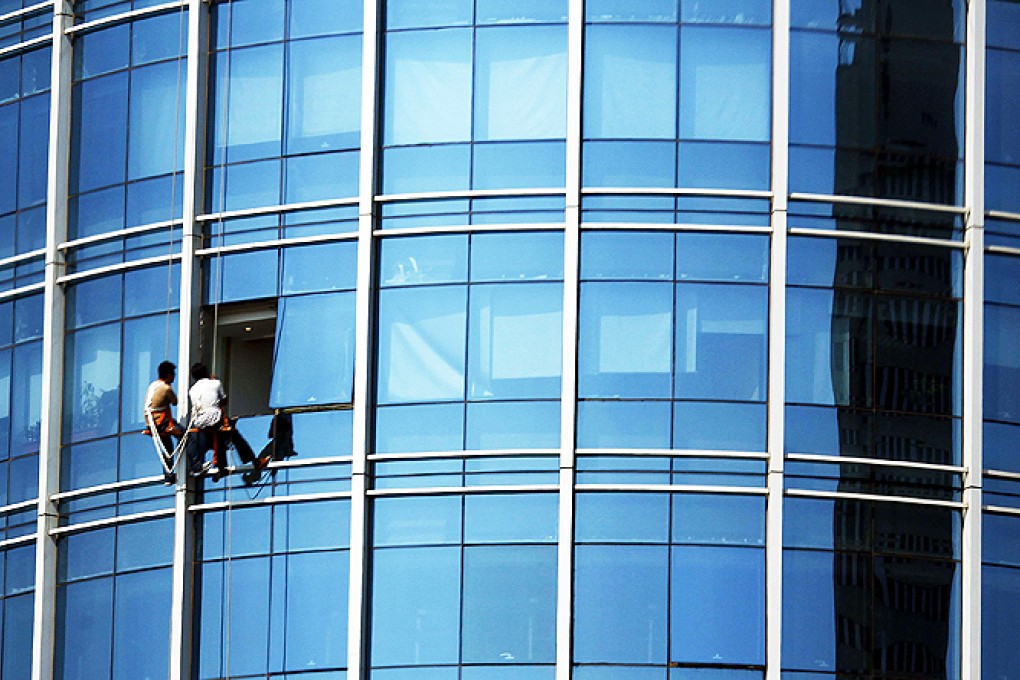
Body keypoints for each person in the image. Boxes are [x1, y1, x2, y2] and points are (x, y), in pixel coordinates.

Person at [186, 363, 261, 481]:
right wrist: (215, 382)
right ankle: (255, 461)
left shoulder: (192, 390)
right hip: (214, 417)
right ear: (206, 372)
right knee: (234, 435)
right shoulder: (215, 383)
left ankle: (221, 468)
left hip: (199, 421)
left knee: (220, 436)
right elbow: (223, 400)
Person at [143, 360, 184, 484]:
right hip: (161, 423)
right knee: (185, 433)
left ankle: (168, 476)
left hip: (151, 423)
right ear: (168, 375)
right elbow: (175, 402)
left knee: (167, 448)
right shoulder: (166, 388)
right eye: (173, 374)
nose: (175, 377)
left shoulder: (153, 385)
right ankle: (191, 464)